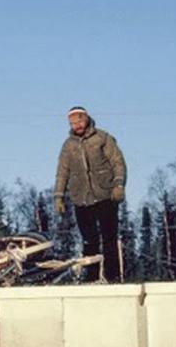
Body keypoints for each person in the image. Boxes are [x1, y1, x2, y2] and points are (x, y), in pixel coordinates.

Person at [53, 106, 127, 282]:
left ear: (86, 119)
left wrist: (118, 184)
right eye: (72, 122)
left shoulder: (102, 138)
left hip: (105, 195)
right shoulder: (68, 146)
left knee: (109, 237)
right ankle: (91, 275)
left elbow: (118, 162)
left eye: (79, 120)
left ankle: (112, 275)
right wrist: (58, 196)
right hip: (81, 199)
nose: (76, 125)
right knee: (88, 240)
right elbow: (62, 172)